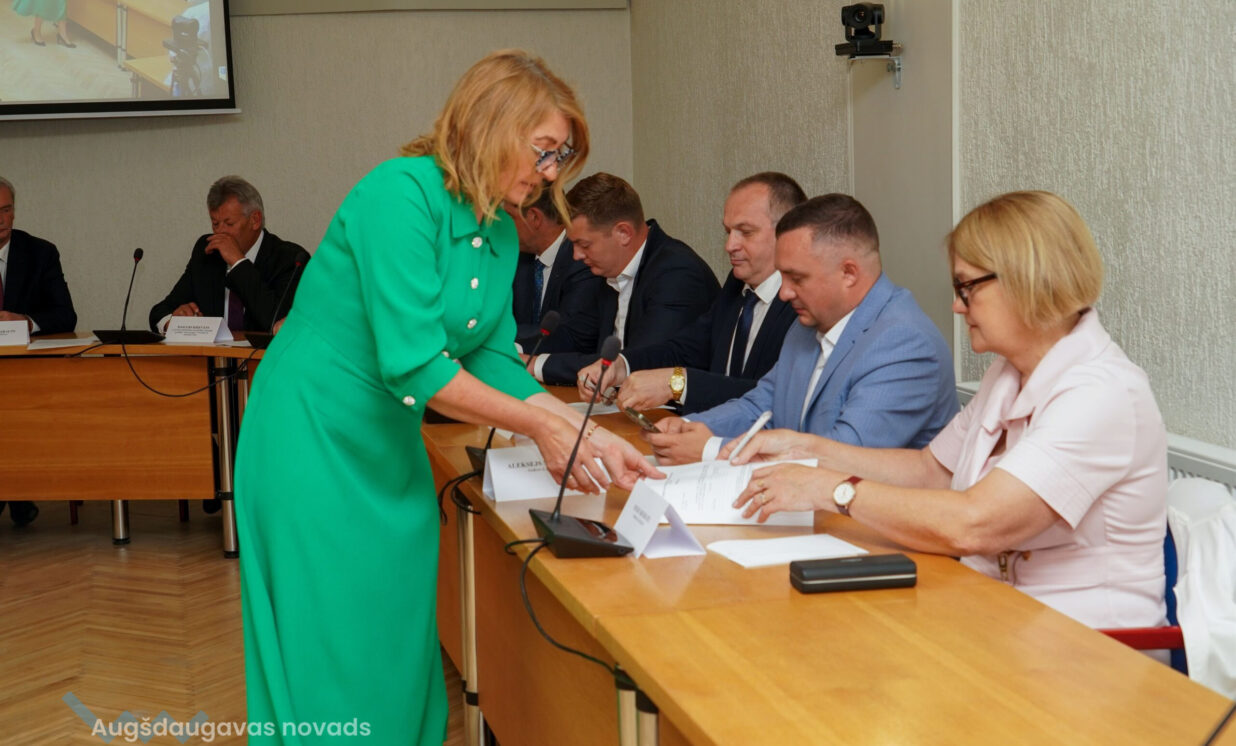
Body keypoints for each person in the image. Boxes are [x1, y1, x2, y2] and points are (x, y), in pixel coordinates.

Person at [232, 50, 660, 745]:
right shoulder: (397, 194)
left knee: (396, 621)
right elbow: (414, 367)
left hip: (385, 441)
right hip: (312, 436)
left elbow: (489, 355)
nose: (551, 173)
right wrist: (541, 429)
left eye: (561, 157)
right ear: (493, 124)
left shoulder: (499, 229)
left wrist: (586, 431)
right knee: (330, 627)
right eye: (544, 150)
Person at [730, 191, 1168, 631]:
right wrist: (806, 450)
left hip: (1086, 646)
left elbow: (975, 523)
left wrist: (834, 490)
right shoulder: (1008, 373)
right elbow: (931, 470)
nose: (957, 305)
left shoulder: (1102, 393)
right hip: (995, 615)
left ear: (1027, 279)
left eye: (967, 287)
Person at [648, 193, 957, 464]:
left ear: (849, 273)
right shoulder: (807, 325)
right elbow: (762, 405)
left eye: (797, 278)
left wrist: (712, 449)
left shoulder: (904, 343)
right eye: (783, 277)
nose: (784, 293)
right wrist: (691, 428)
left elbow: (845, 455)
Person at [576, 172, 804, 414]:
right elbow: (686, 349)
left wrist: (677, 384)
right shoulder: (737, 285)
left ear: (787, 233)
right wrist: (621, 365)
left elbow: (775, 397)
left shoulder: (802, 304)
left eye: (745, 232)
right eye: (728, 232)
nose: (729, 246)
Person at [529, 172, 719, 385]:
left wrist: (537, 365)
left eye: (584, 244)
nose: (576, 256)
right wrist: (517, 356)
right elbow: (578, 337)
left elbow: (640, 364)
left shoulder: (677, 274)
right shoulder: (608, 271)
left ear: (624, 233)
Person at [0, 175, 78, 528]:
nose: (1, 219)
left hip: (26, 371)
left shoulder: (40, 253)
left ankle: (15, 491)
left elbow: (65, 315)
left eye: (6, 210)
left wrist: (26, 321)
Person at [148, 176, 310, 335]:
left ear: (255, 220)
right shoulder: (208, 252)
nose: (220, 232)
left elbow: (277, 323)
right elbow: (160, 312)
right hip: (213, 354)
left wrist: (238, 262)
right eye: (215, 223)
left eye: (229, 223)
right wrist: (173, 322)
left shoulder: (291, 259)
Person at [506, 189, 604, 354]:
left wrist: (501, 340)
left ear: (534, 217)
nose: (502, 226)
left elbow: (569, 336)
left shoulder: (582, 260)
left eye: (509, 217)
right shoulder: (519, 257)